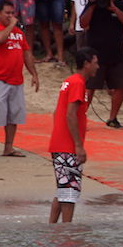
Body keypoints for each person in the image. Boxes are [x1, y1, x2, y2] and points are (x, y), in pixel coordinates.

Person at [0, 0, 40, 160]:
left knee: (14, 114)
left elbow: (27, 53)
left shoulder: (19, 33)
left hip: (16, 79)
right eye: (7, 13)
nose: (10, 16)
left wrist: (34, 74)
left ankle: (9, 146)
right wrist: (10, 26)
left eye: (12, 13)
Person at [48, 47, 98, 223]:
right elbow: (70, 114)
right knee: (70, 190)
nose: (97, 67)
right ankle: (67, 233)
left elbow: (57, 113)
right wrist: (78, 145)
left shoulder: (70, 81)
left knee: (63, 189)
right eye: (95, 63)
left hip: (60, 144)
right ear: (86, 64)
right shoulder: (78, 83)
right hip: (68, 147)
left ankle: (53, 228)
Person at [79, 0, 123, 129]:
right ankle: (81, 117)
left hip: (116, 53)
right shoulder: (93, 4)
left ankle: (113, 118)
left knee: (120, 86)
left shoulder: (122, 5)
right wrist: (93, 4)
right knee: (90, 87)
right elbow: (83, 23)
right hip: (95, 54)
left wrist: (114, 8)